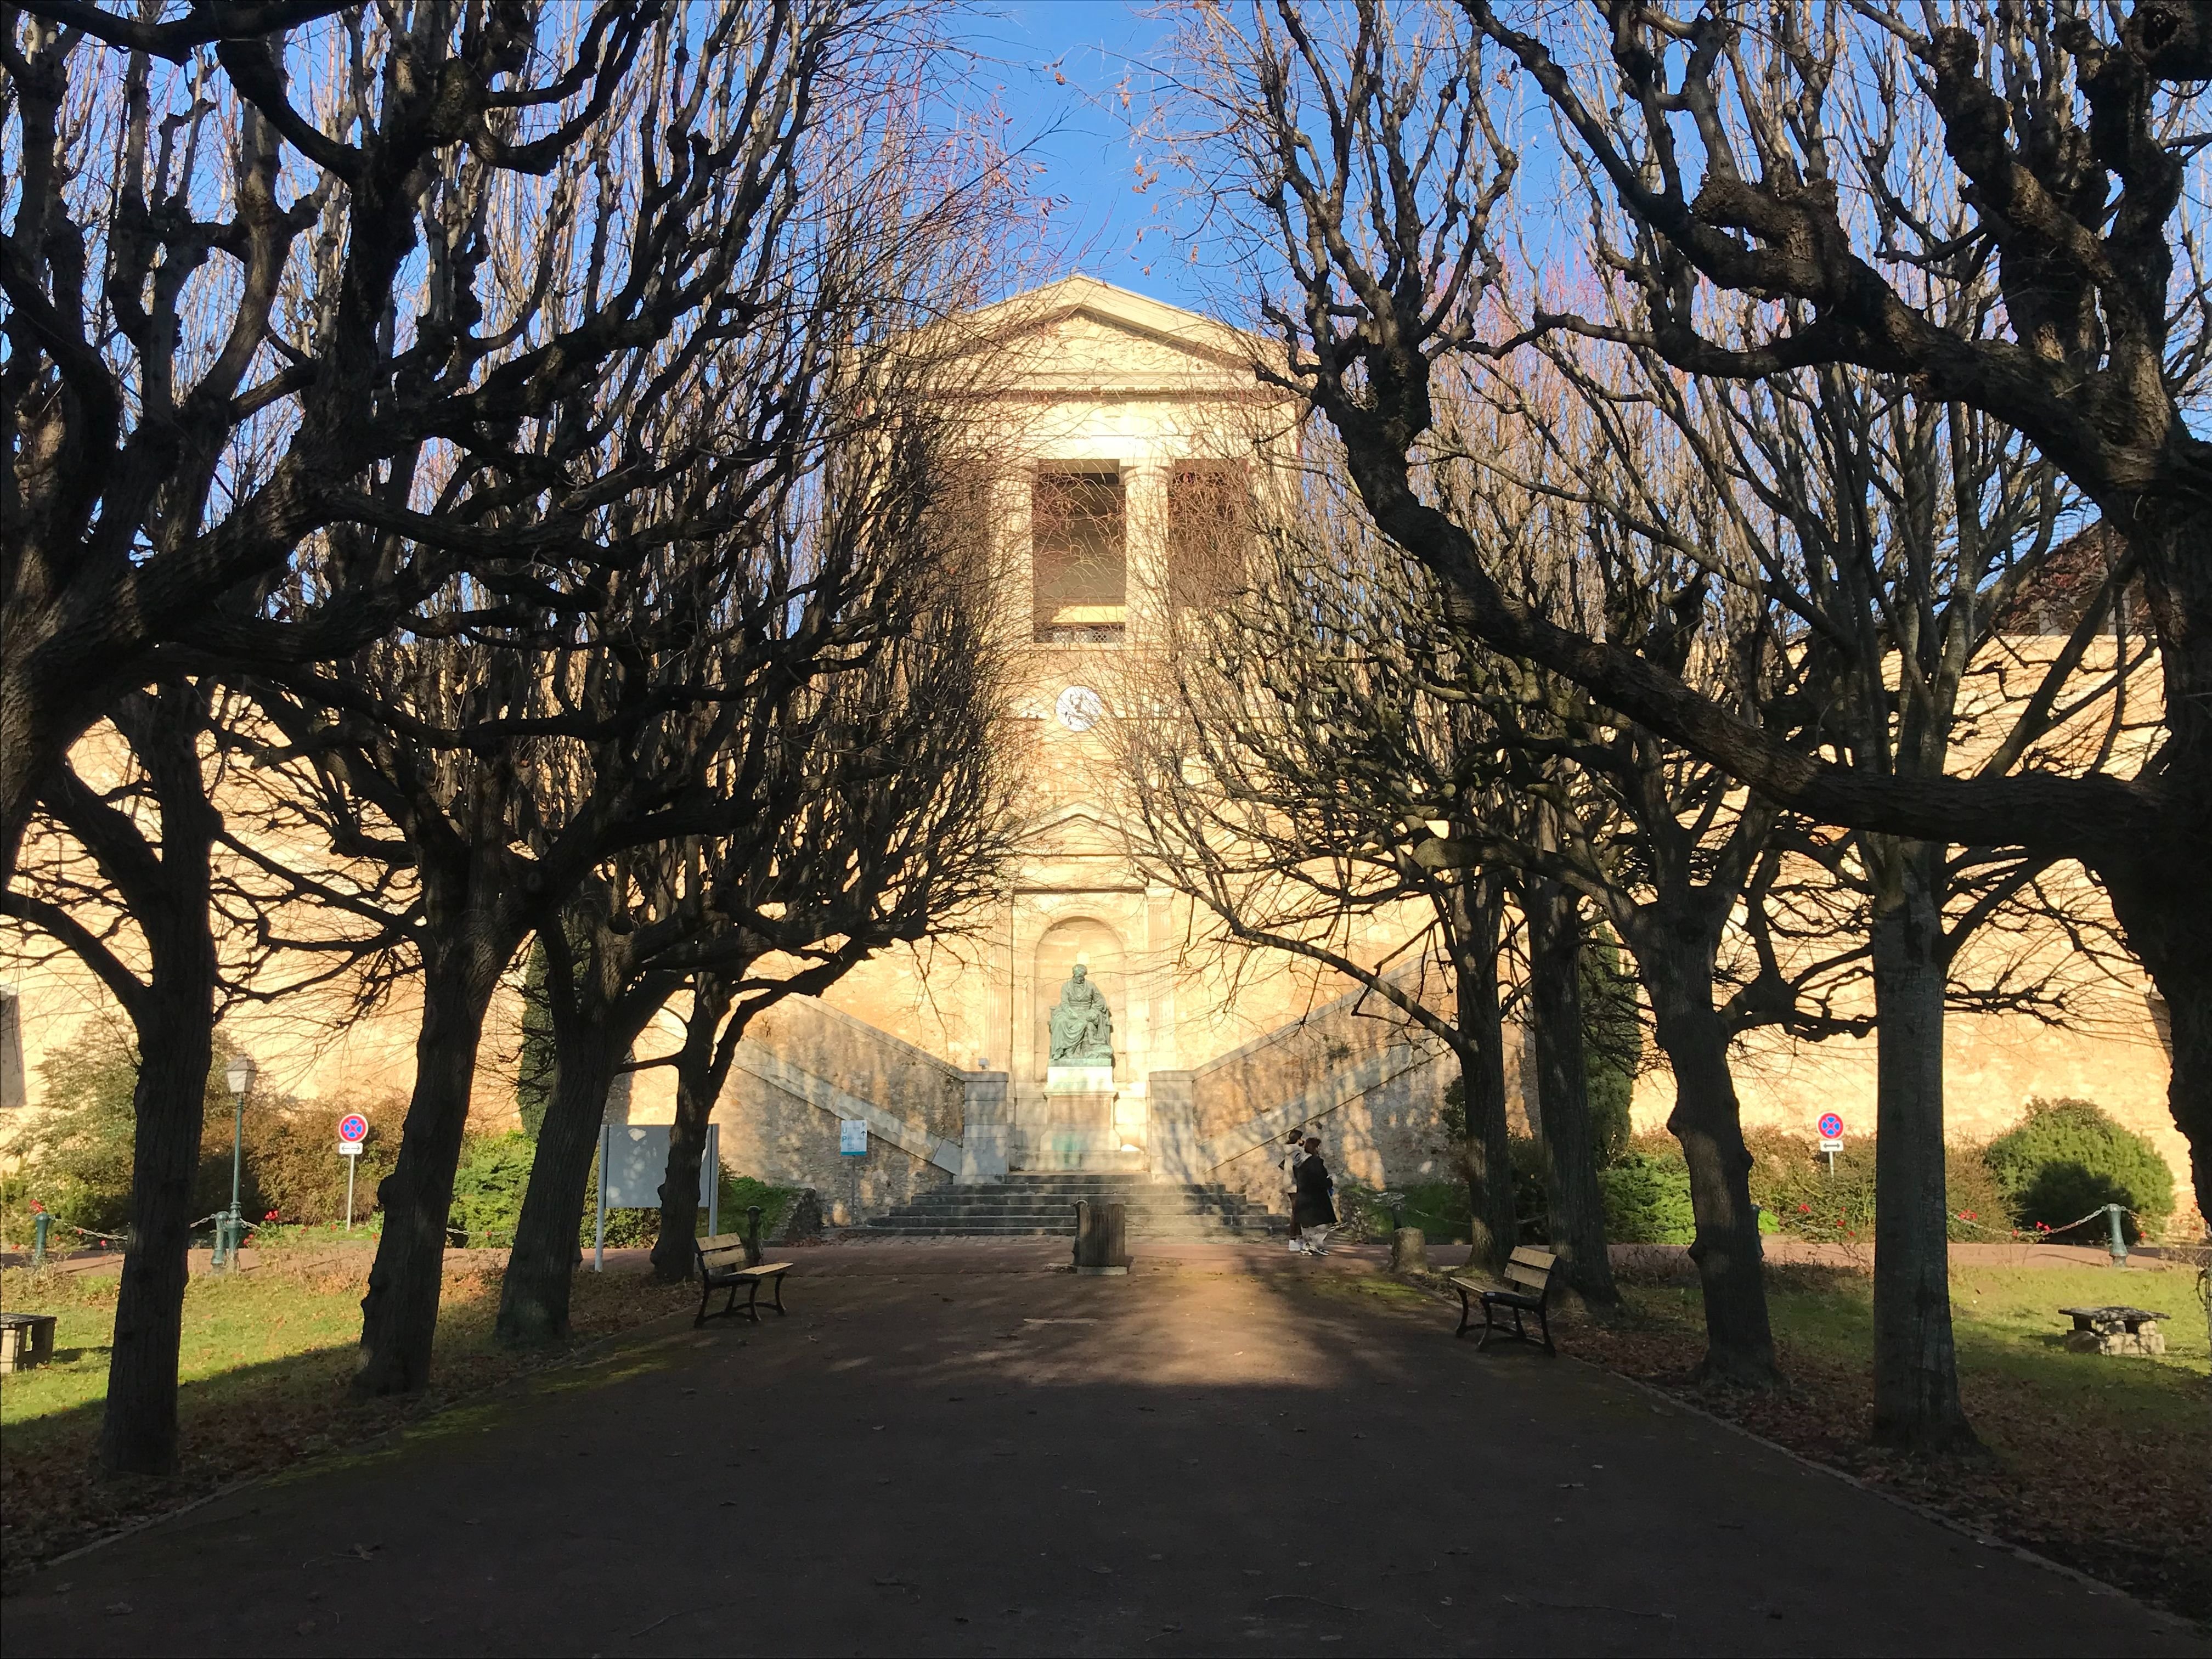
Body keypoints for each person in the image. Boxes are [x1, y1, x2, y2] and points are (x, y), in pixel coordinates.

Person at [1293, 1135, 1337, 1257]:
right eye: (1319, 1147)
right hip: (1315, 1198)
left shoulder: (1299, 1162)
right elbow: (1320, 1180)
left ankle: (1307, 1246)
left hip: (1303, 1196)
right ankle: (1316, 1245)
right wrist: (1330, 1181)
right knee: (1323, 1224)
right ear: (1315, 1147)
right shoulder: (1315, 1162)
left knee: (1307, 1225)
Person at [1277, 1128, 1307, 1251]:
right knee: (1297, 1212)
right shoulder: (1297, 1151)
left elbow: (1284, 1166)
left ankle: (1296, 1238)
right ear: (1298, 1139)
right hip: (1295, 1185)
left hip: (1289, 1184)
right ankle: (1293, 1239)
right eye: (1301, 1138)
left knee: (1298, 1211)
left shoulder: (1289, 1150)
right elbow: (1298, 1167)